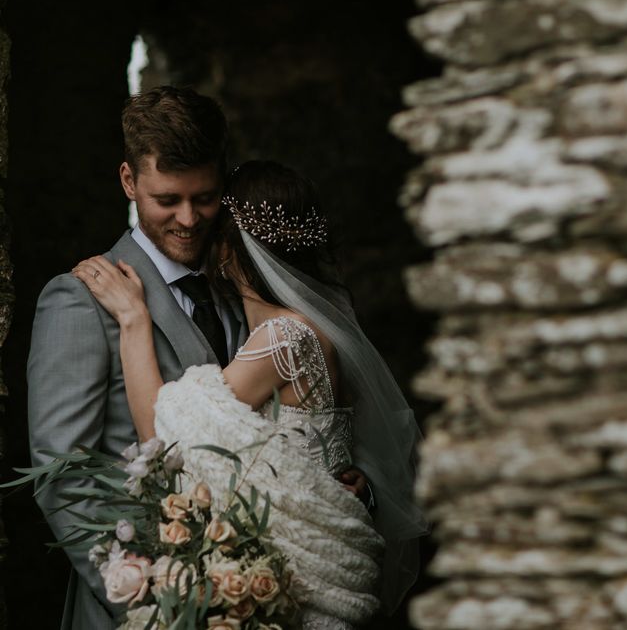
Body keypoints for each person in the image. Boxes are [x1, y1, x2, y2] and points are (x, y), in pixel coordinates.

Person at [26, 86, 370, 630]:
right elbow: (62, 475)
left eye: (205, 197)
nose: (189, 219)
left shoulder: (243, 286)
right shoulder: (80, 301)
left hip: (269, 600)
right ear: (129, 182)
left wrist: (340, 488)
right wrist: (162, 597)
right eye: (167, 200)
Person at [73, 160, 428, 628]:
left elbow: (165, 437)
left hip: (297, 592)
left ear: (229, 249)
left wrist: (134, 318)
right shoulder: (304, 330)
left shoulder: (284, 338)